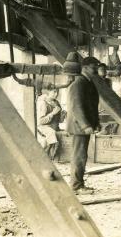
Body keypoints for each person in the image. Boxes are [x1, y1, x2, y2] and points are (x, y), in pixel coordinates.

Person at [66, 56, 100, 194]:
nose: (96, 70)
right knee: (79, 156)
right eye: (94, 67)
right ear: (85, 68)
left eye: (97, 67)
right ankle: (76, 186)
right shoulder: (78, 84)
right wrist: (85, 125)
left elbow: (92, 106)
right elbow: (76, 107)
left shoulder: (88, 82)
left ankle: (79, 184)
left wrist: (96, 123)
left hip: (83, 127)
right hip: (79, 127)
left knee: (82, 155)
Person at [37, 84, 65, 160]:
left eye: (57, 92)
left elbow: (59, 121)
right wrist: (52, 113)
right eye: (54, 92)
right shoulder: (43, 103)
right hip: (44, 127)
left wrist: (63, 115)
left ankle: (50, 157)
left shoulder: (56, 103)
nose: (56, 94)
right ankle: (47, 157)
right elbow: (41, 121)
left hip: (54, 127)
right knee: (51, 138)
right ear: (48, 92)